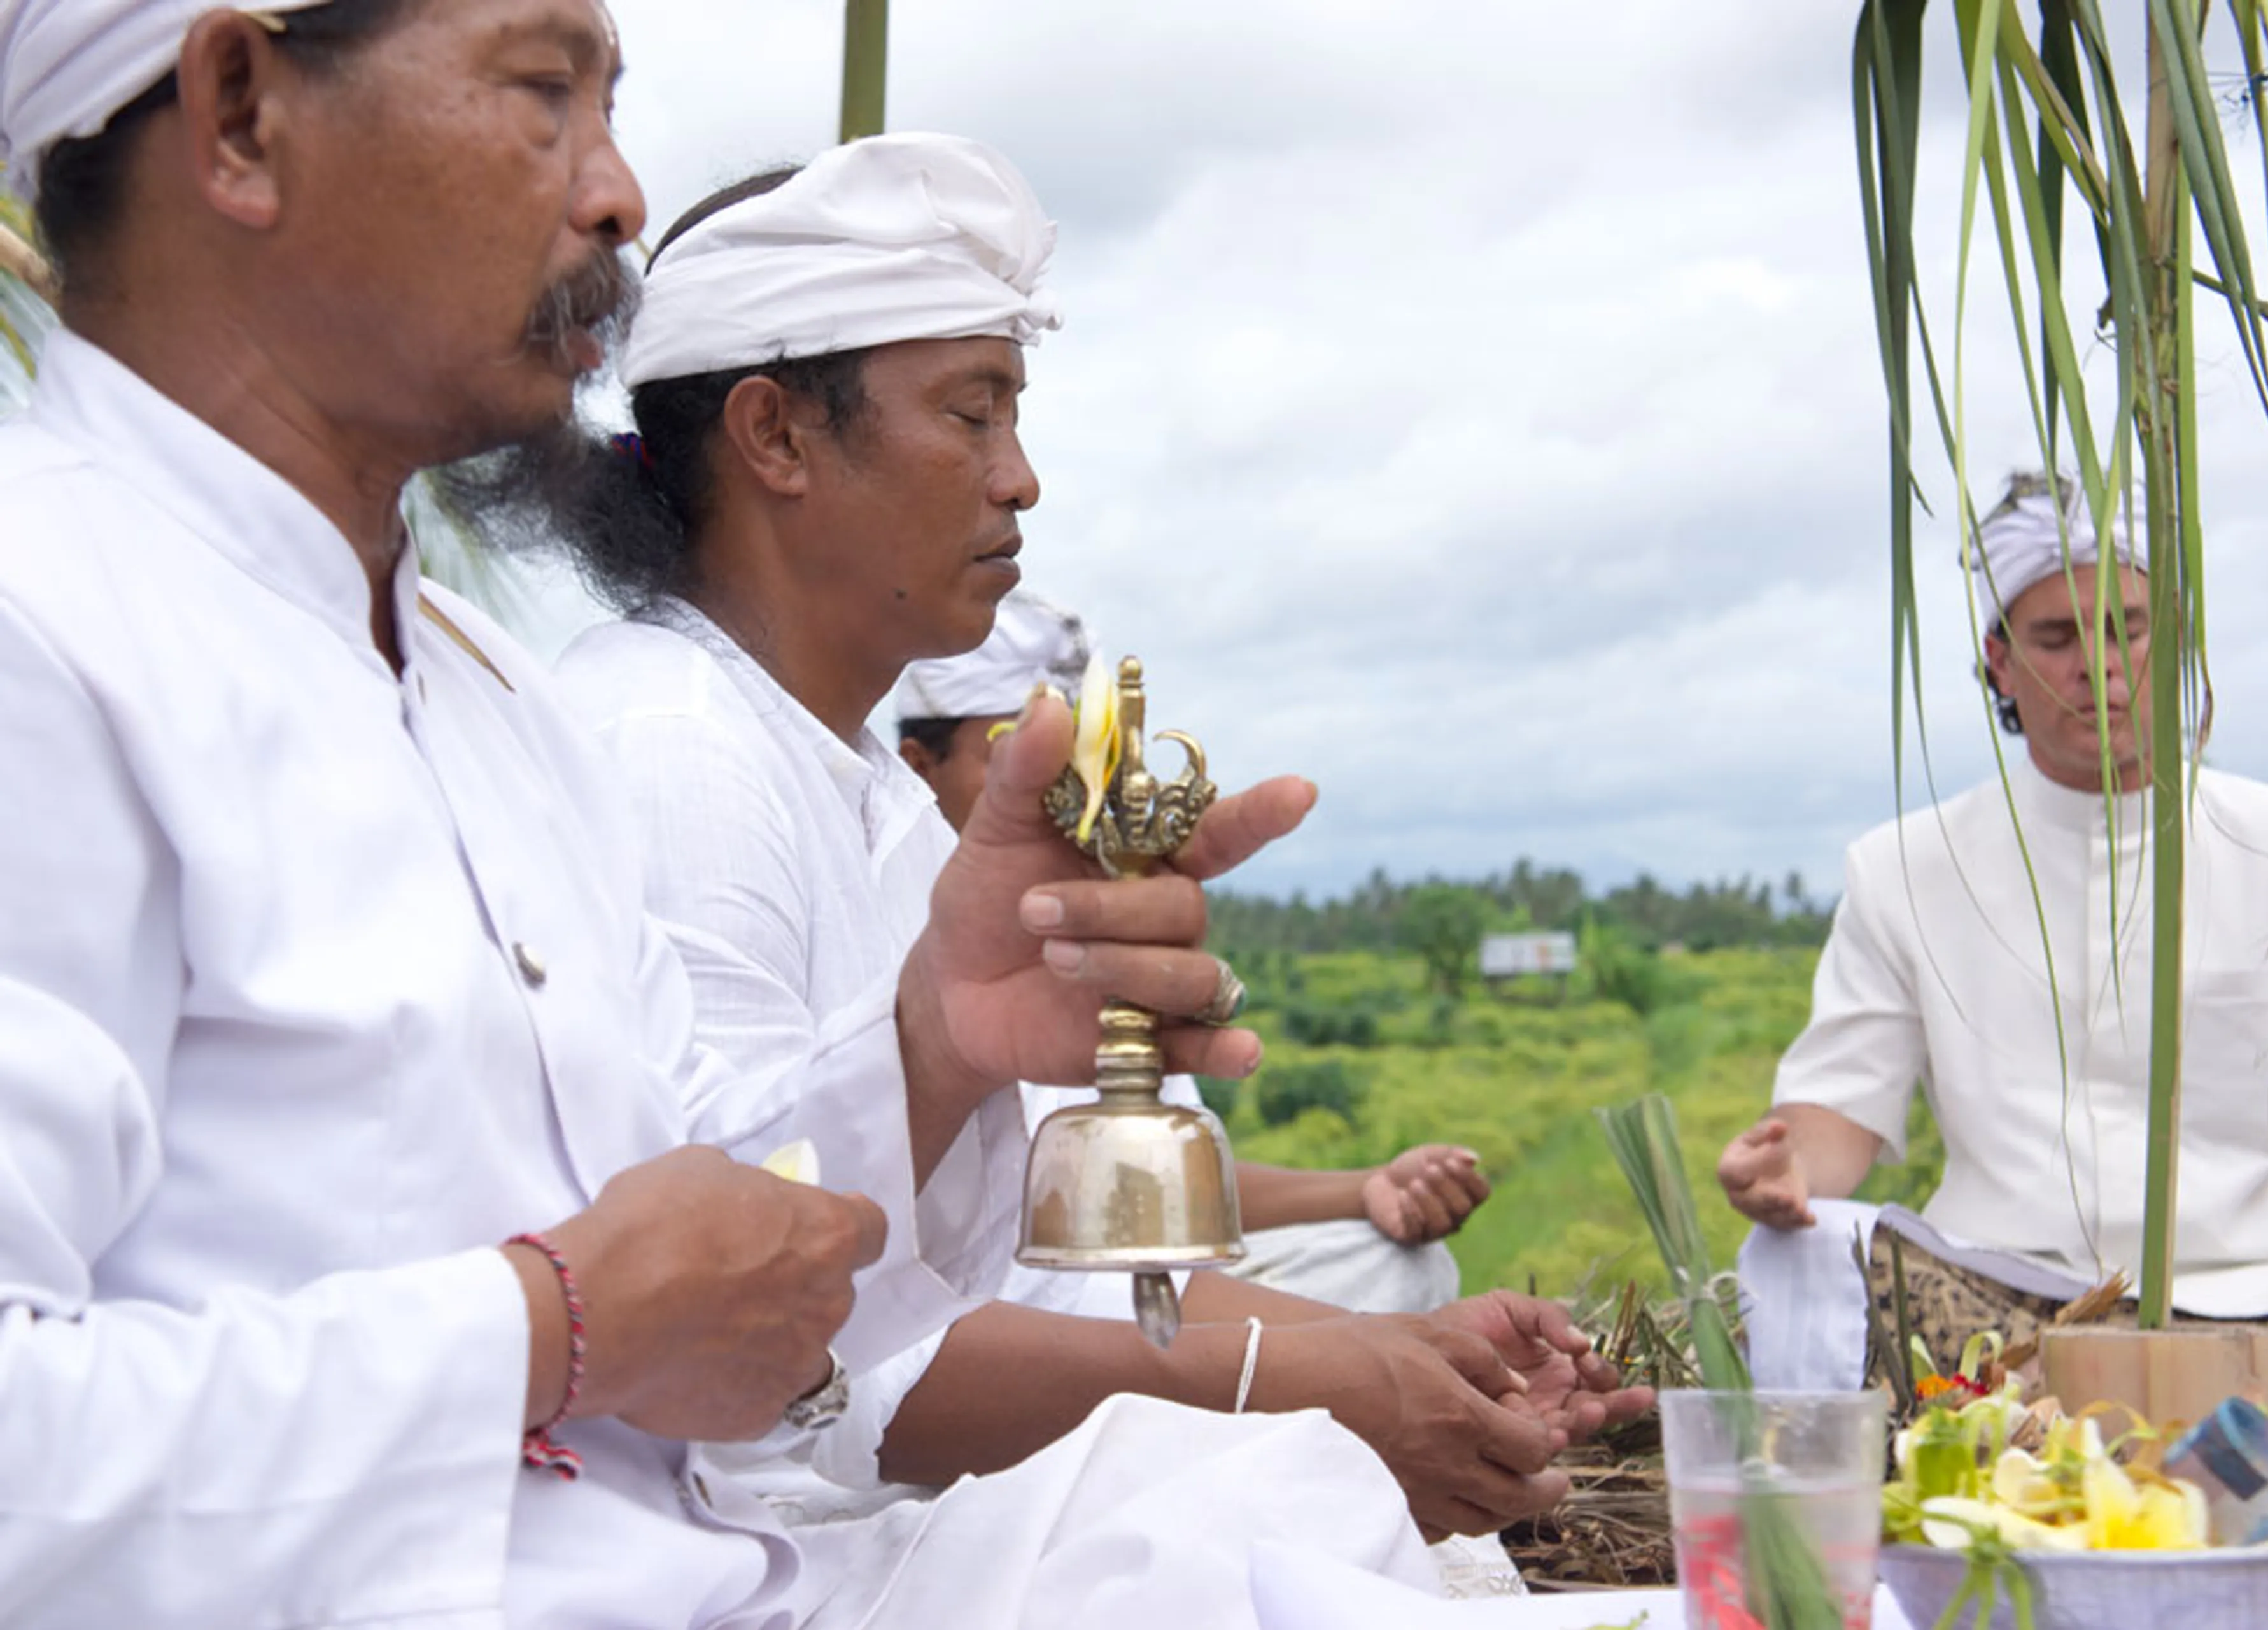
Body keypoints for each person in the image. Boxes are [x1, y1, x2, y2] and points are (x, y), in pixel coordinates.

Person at [0, 6, 1440, 1627]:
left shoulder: (487, 704)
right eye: (544, 93)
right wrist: (549, 1328)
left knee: (1275, 1508)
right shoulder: (46, 629)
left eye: (612, 107)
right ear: (242, 114)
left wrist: (931, 1050)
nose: (616, 193)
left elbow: (738, 1325)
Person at [528, 141, 1643, 1547]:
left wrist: (1400, 1356)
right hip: (758, 1557)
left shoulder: (851, 772)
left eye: (1015, 415)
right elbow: (791, 1371)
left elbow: (1015, 1279)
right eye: (971, 413)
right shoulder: (673, 745)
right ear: (775, 436)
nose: (1022, 480)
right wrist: (1323, 1386)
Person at [1715, 472, 2268, 1424]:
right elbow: (1834, 1123)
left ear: (2174, 637)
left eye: (2130, 629)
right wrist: (1783, 1172)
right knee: (1798, 1257)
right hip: (1996, 1320)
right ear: (1999, 661)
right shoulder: (1906, 867)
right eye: (2055, 639)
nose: (2096, 668)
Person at [897, 586, 1488, 1314]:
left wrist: (1363, 1187)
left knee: (1398, 1269)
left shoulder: (1099, 923)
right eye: (1013, 759)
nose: (1061, 793)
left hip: (1138, 1289)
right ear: (918, 767)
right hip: (998, 1322)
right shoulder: (890, 924)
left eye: (1082, 760)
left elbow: (1159, 1187)